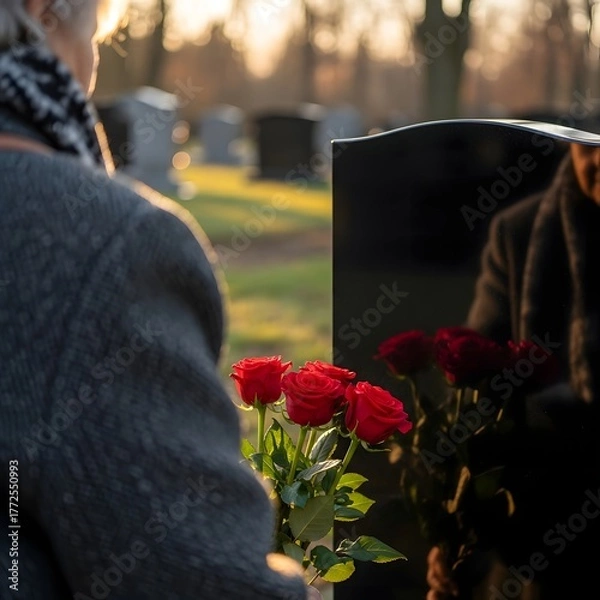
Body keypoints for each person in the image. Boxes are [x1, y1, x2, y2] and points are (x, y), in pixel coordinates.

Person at [0, 1, 319, 598]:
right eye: (94, 35)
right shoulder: (102, 243)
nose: (92, 65)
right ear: (44, 15)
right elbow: (198, 579)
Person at [426, 140, 600, 599]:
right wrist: (455, 526)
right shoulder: (521, 234)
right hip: (544, 523)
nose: (599, 160)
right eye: (589, 145)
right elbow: (475, 388)